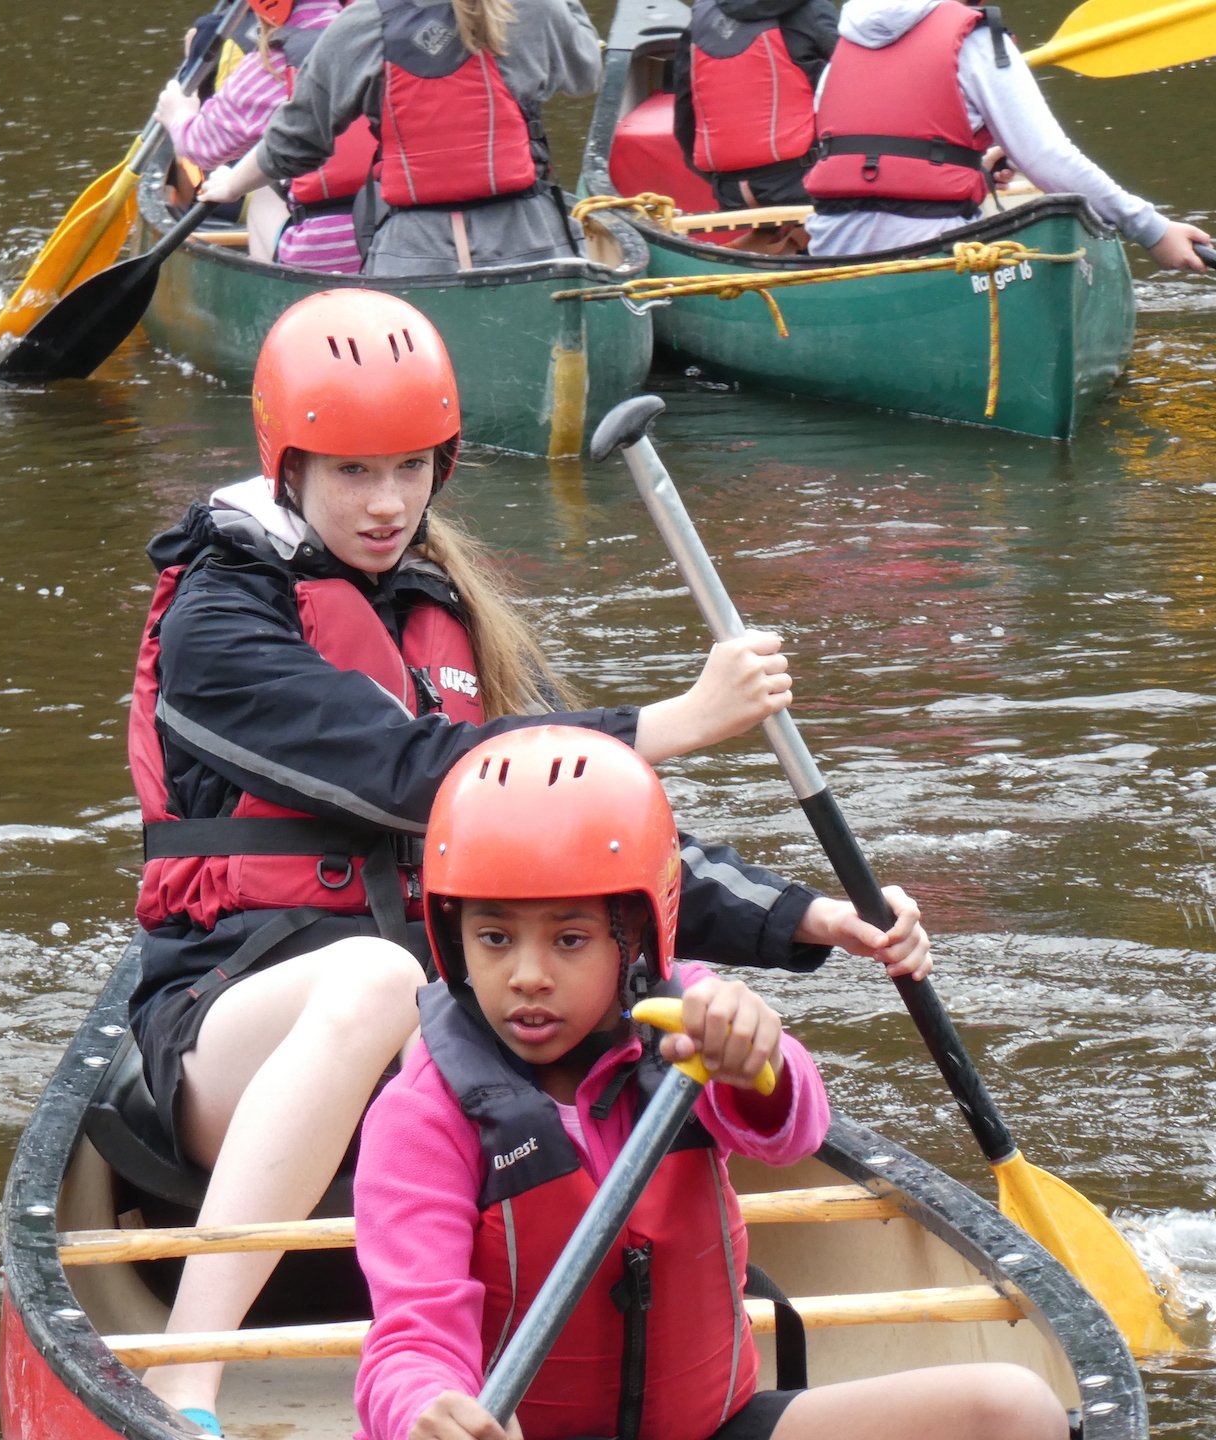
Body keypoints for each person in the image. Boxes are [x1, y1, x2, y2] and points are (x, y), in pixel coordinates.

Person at [128, 289, 934, 1437]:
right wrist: (670, 722)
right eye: (354, 471)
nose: (388, 501)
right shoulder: (220, 619)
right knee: (372, 980)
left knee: (615, 1019)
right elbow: (409, 770)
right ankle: (187, 1377)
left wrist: (806, 920)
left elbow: (579, 832)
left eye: (412, 468)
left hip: (448, 1031)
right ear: (289, 461)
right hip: (224, 1036)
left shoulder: (447, 608)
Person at [354, 725, 1066, 1440]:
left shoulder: (685, 1023)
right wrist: (426, 1412)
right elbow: (412, 1341)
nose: (528, 974)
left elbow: (796, 1135)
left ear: (634, 934)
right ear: (454, 937)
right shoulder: (423, 1113)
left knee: (1014, 1411)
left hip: (708, 1427)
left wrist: (762, 1063)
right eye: (495, 937)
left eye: (569, 939)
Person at [194, 0, 603, 276]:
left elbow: (294, 143)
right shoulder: (533, 7)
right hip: (533, 242)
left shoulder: (363, 23)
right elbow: (586, 74)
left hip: (411, 256)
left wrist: (229, 184)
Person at [803, 0, 1209, 269]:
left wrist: (973, 167)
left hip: (833, 260)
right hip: (940, 262)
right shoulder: (978, 40)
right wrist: (1153, 231)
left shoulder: (845, 47)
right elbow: (1048, 159)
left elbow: (870, 157)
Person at [157, 0, 371, 272]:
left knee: (263, 193)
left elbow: (202, 149)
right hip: (393, 236)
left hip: (320, 256)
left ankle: (265, 280)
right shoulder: (378, 34)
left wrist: (177, 115)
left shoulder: (274, 61)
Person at [673, 0, 840, 211]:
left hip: (732, 192)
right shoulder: (813, 10)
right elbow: (852, 86)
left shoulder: (699, 22)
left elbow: (684, 118)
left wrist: (717, 179)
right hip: (807, 183)